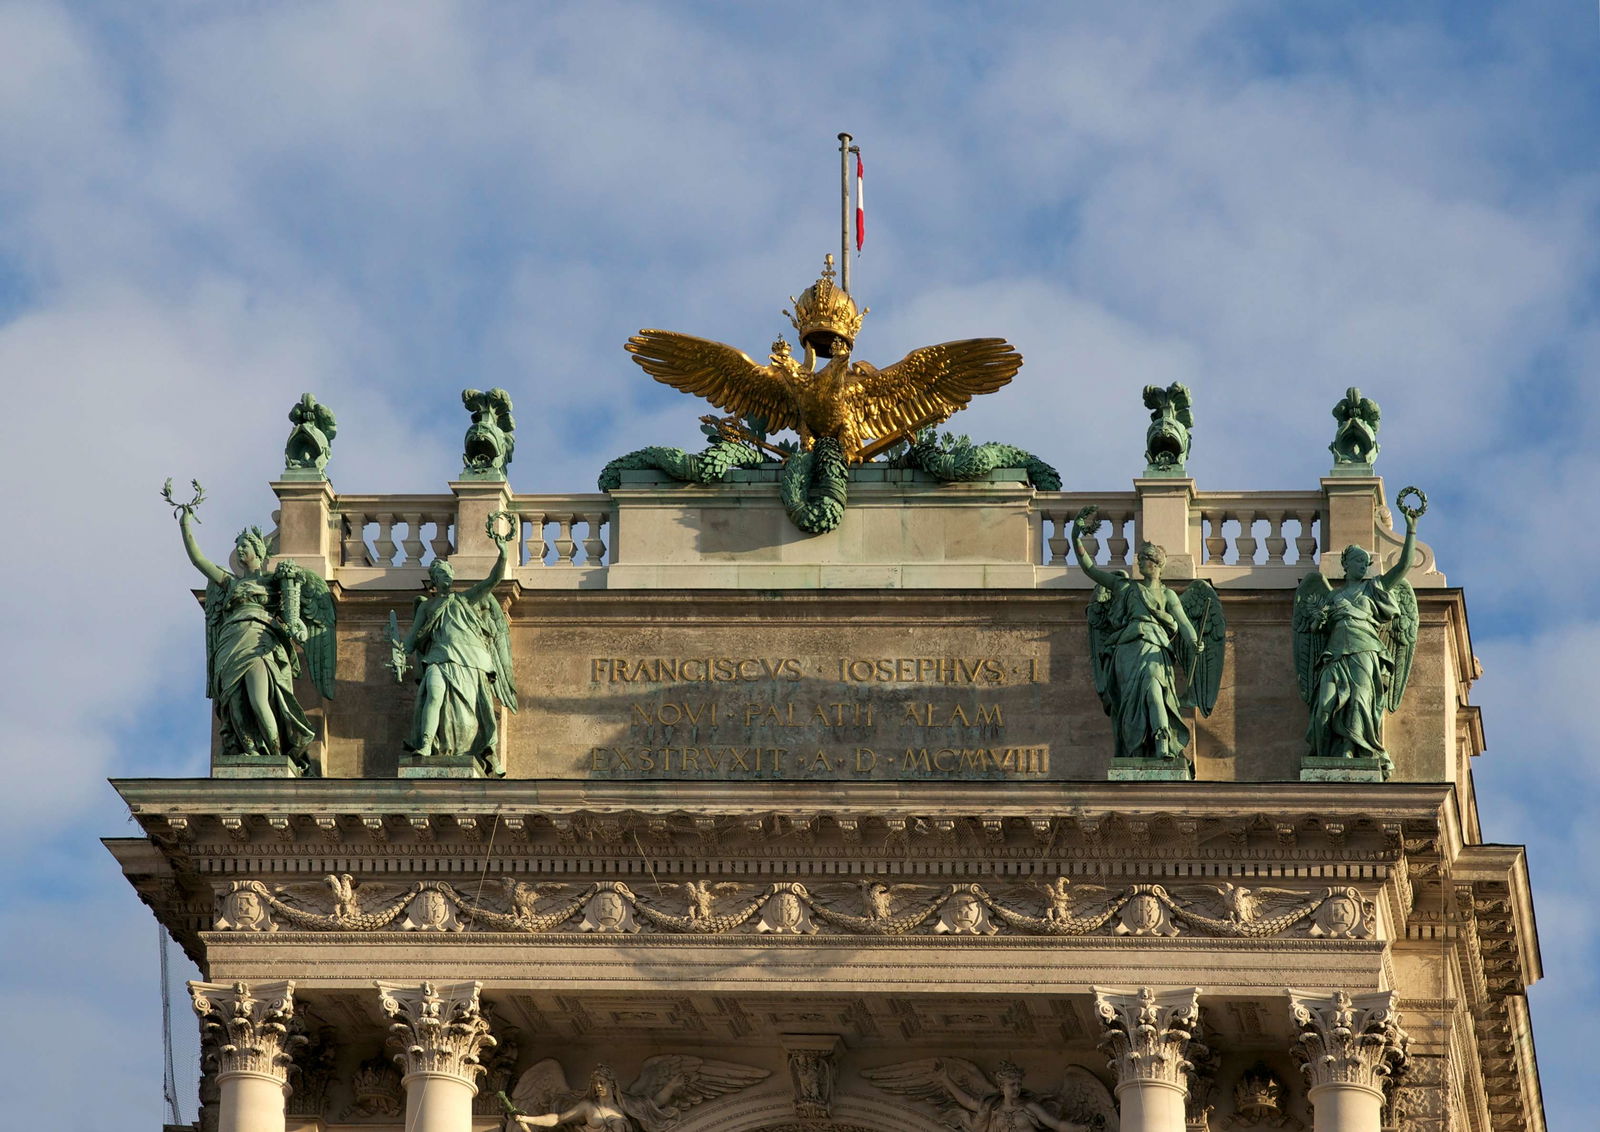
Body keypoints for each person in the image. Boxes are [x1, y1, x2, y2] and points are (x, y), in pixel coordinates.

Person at [175, 504, 321, 772]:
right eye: (238, 546)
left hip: (258, 642)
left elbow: (292, 615)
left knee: (258, 699)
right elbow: (198, 560)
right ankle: (251, 751)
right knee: (236, 704)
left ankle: (277, 756)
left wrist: (296, 626)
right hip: (229, 641)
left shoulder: (273, 582)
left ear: (258, 550)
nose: (240, 550)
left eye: (245, 545)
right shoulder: (230, 582)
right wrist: (186, 524)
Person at [1070, 510, 1202, 762]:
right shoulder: (1125, 587)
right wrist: (1075, 536)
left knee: (1154, 688)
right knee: (1130, 703)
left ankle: (1163, 741)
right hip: (1127, 650)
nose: (1139, 564)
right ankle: (1137, 749)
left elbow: (1184, 623)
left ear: (1156, 563)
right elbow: (1090, 569)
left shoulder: (1167, 595)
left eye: (1144, 559)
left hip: (1155, 649)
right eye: (1140, 559)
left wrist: (1195, 642)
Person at [398, 520, 517, 775]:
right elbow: (411, 640)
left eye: (448, 573)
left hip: (468, 662)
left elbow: (493, 580)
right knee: (434, 696)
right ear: (434, 580)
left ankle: (463, 749)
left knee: (466, 713)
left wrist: (503, 554)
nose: (446, 577)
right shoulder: (427, 606)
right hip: (438, 659)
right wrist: (399, 652)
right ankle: (426, 744)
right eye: (441, 574)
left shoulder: (464, 599)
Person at [1302, 511, 1418, 764]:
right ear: (1346, 565)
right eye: (1358, 561)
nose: (1364, 566)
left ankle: (1350, 750)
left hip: (1365, 650)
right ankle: (1323, 752)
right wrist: (1318, 619)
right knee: (1324, 705)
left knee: (1359, 701)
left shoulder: (1373, 588)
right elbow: (1314, 629)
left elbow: (1404, 566)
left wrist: (1411, 529)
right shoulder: (1332, 596)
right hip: (1334, 654)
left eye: (1366, 563)